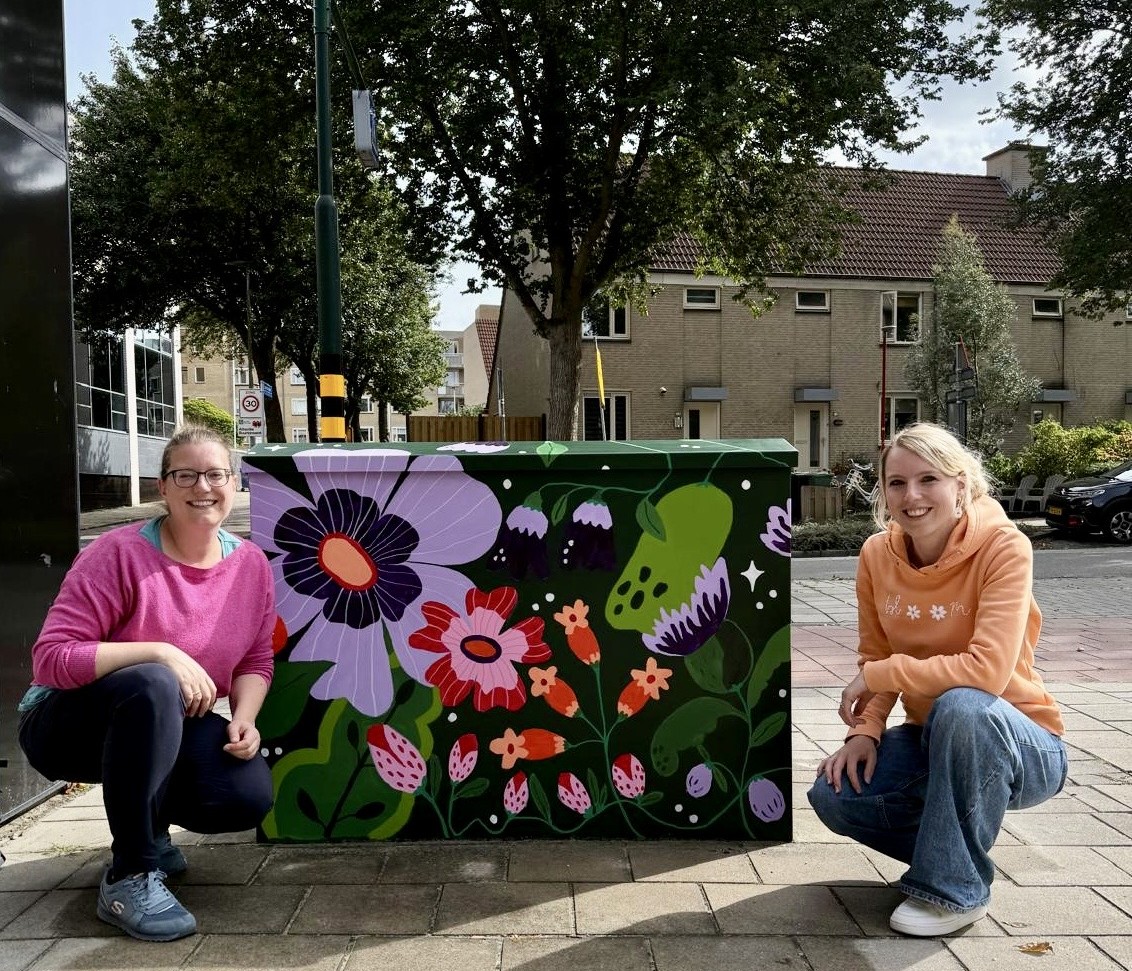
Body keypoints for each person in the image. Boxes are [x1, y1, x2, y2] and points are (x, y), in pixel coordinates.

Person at [17, 424, 275, 942]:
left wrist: (243, 718)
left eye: (215, 474)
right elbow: (51, 659)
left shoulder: (249, 565)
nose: (202, 486)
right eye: (186, 475)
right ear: (164, 487)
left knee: (243, 795)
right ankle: (129, 874)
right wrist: (159, 650)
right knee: (155, 683)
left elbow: (256, 656)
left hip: (165, 723)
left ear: (234, 482)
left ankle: (151, 831)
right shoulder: (117, 555)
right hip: (65, 724)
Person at [808, 422, 1066, 937]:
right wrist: (866, 730)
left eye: (929, 479)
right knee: (836, 795)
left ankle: (954, 891)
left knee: (963, 704)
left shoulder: (1004, 548)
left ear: (961, 485)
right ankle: (955, 852)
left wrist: (883, 674)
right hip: (934, 740)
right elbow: (876, 653)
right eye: (897, 483)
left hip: (1021, 740)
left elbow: (987, 674)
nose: (913, 496)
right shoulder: (877, 555)